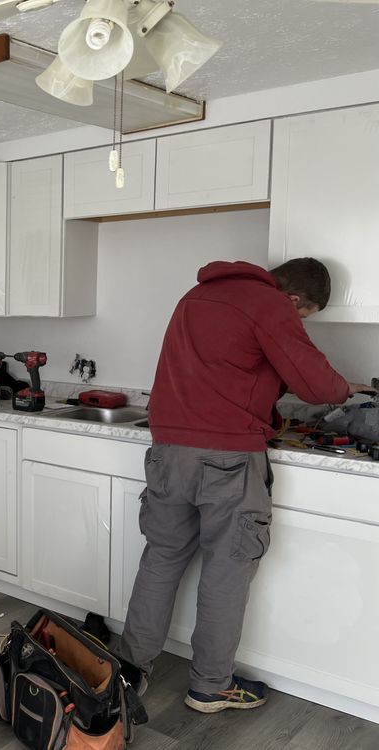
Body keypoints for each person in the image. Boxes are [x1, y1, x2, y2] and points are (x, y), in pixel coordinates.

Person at [120, 258, 371, 714]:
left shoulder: (194, 297)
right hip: (228, 458)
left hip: (168, 449)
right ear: (294, 300)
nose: (299, 322)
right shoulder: (270, 304)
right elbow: (315, 385)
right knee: (227, 571)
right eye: (305, 316)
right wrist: (345, 388)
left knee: (160, 560)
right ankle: (210, 687)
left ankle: (127, 673)